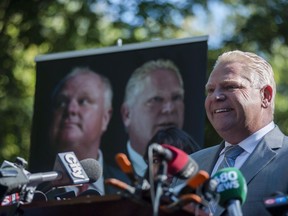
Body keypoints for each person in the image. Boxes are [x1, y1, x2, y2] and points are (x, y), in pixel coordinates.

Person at [182, 50, 288, 216]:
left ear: (265, 96)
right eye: (210, 90)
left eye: (230, 86)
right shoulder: (191, 165)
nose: (216, 97)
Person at [48, 67, 124, 196]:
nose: (70, 109)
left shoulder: (127, 186)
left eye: (83, 101)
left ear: (105, 118)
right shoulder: (31, 186)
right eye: (62, 102)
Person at [121, 59, 185, 179]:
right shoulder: (105, 177)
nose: (169, 108)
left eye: (176, 97)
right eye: (156, 99)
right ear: (127, 114)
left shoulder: (199, 167)